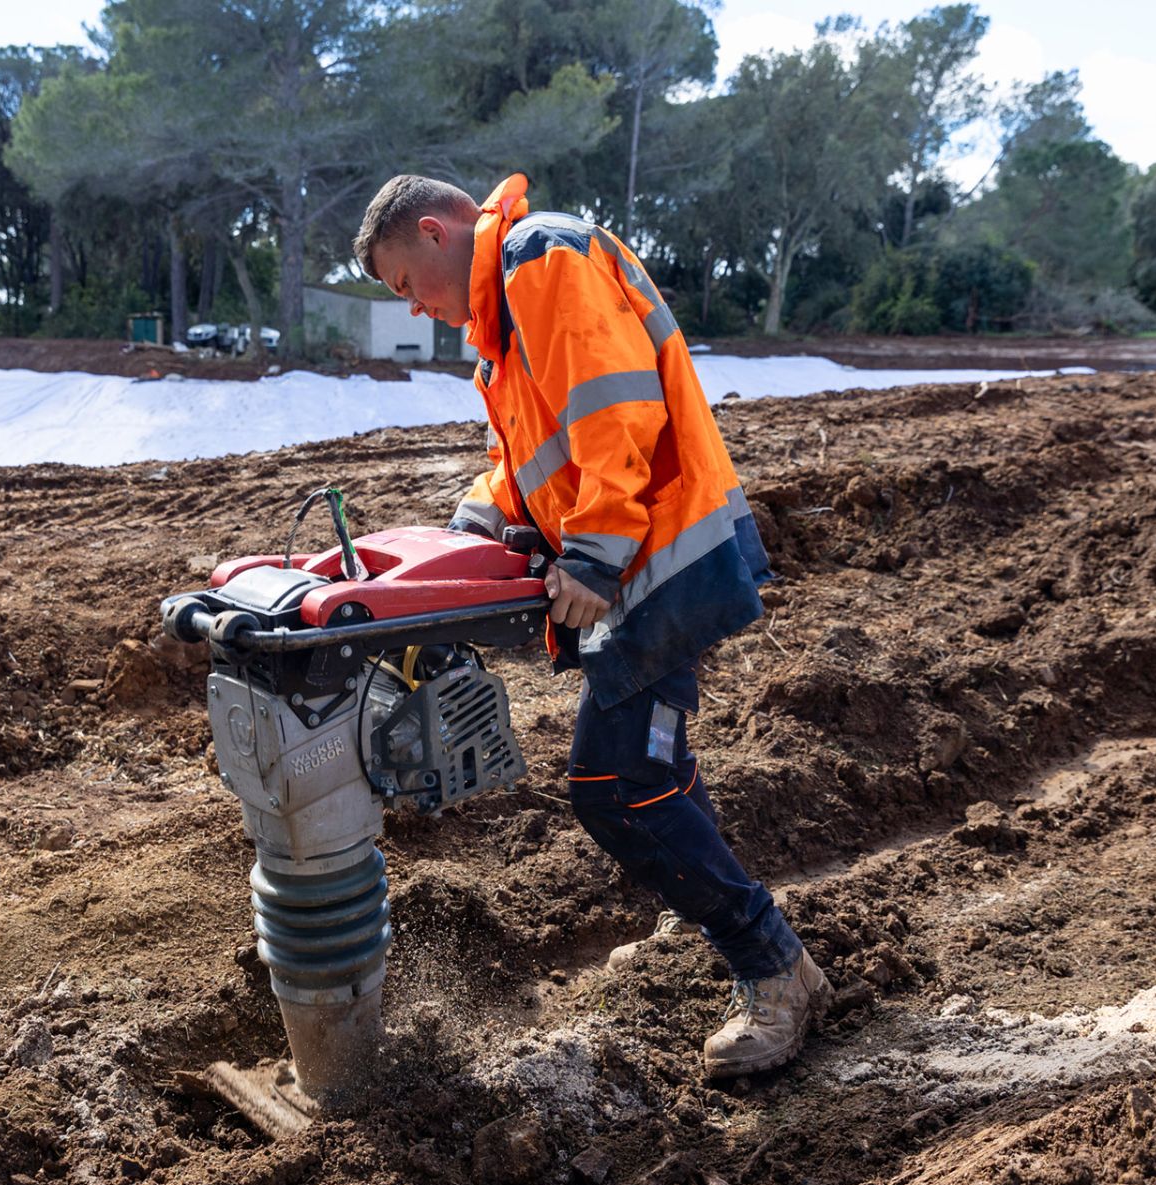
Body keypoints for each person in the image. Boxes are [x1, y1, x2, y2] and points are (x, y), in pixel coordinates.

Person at [353, 172, 831, 1079]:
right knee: (656, 773)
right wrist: (463, 538)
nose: (415, 310)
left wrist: (596, 555)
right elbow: (524, 463)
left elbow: (617, 413)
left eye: (407, 285)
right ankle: (775, 961)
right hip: (637, 562)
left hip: (658, 559)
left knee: (616, 785)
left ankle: (775, 972)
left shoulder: (544, 261)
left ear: (434, 231)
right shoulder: (501, 331)